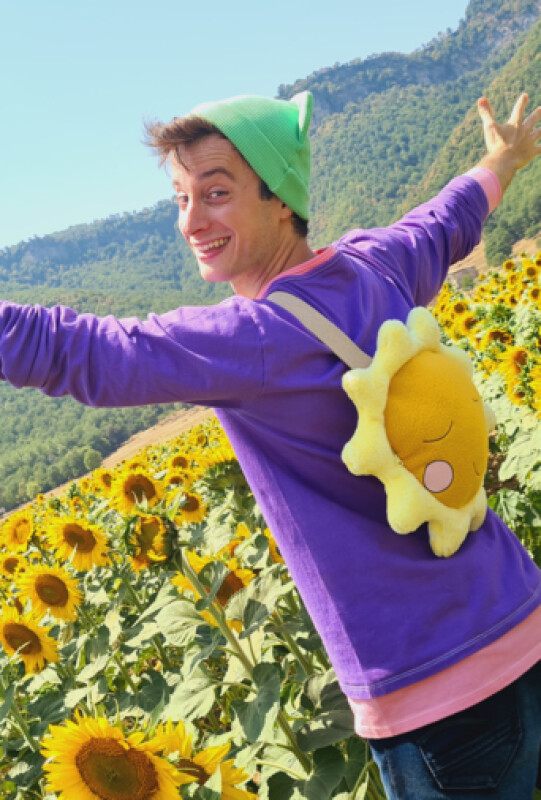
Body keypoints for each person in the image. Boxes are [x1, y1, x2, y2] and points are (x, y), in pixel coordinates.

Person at [1, 90, 541, 798]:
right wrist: (503, 159)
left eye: (215, 193)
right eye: (180, 198)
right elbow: (446, 220)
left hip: (436, 689)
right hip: (520, 611)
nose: (191, 221)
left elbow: (79, 351)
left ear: (280, 198)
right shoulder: (378, 262)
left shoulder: (254, 339)